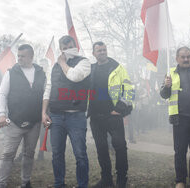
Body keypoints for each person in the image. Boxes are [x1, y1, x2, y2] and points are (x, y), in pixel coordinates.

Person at [42, 35, 91, 188]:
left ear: (74, 44)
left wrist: (62, 62)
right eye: (63, 47)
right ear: (60, 48)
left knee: (80, 154)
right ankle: (59, 184)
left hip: (75, 115)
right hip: (56, 116)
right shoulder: (54, 67)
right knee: (57, 154)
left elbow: (75, 77)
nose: (66, 48)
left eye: (69, 45)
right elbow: (48, 89)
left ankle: (83, 185)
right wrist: (44, 112)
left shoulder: (84, 62)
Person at [0, 44, 46, 188]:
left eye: (23, 56)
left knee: (29, 154)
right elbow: (2, 94)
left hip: (34, 122)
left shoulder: (41, 73)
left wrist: (44, 113)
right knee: (8, 154)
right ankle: (0, 184)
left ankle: (25, 183)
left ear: (31, 56)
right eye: (18, 56)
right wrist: (1, 114)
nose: (19, 58)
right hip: (14, 122)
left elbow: (45, 95)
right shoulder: (11, 72)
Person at [160, 47, 190, 188]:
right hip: (180, 119)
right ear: (177, 58)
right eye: (183, 57)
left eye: (188, 56)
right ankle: (180, 180)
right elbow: (164, 95)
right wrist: (166, 87)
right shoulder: (170, 73)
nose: (186, 59)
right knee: (180, 151)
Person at [88, 41, 134, 188]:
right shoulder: (90, 69)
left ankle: (121, 179)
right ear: (93, 53)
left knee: (119, 146)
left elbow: (128, 90)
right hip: (96, 116)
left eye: (104, 50)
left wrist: (119, 109)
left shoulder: (118, 68)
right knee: (101, 148)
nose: (102, 52)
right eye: (99, 50)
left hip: (113, 115)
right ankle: (106, 179)